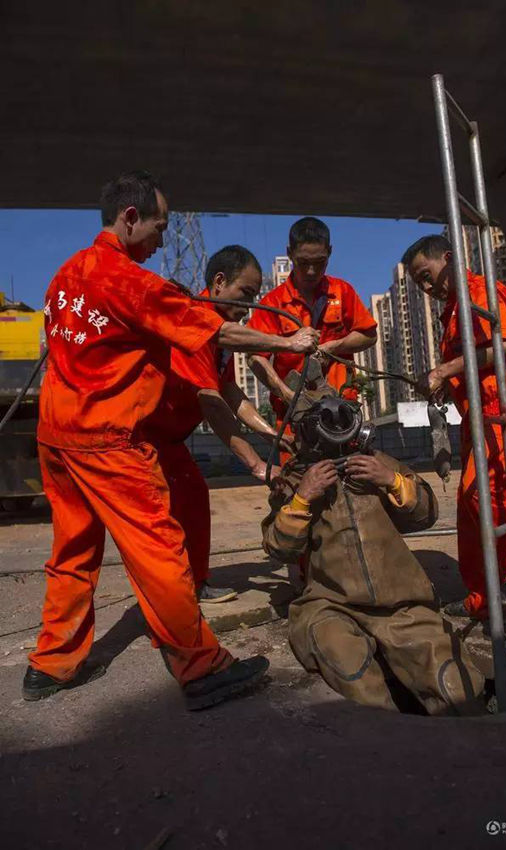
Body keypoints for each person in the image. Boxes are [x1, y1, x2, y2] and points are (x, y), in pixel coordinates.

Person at [23, 171, 318, 708]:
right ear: (130, 218)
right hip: (107, 436)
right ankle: (200, 666)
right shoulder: (129, 281)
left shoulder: (66, 274)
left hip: (56, 434)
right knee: (158, 548)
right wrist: (287, 338)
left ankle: (51, 664)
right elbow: (216, 330)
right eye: (158, 228)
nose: (162, 240)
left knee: (73, 550)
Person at [261, 387, 486, 716]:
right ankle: (391, 753)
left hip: (402, 604)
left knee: (453, 685)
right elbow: (278, 548)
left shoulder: (377, 463)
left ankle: (476, 750)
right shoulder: (296, 480)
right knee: (350, 670)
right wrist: (302, 498)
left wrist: (392, 480)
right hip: (332, 605)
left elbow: (426, 513)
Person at [402, 234, 506, 619]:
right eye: (418, 284)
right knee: (470, 503)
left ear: (448, 258)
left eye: (427, 276)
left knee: (489, 495)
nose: (426, 287)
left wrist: (443, 370)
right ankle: (482, 596)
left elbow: (505, 346)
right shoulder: (451, 312)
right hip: (480, 416)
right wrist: (447, 386)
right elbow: (470, 367)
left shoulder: (479, 292)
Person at [143, 244, 292, 604]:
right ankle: (166, 601)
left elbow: (229, 391)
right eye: (246, 294)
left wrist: (273, 437)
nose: (250, 305)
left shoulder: (220, 340)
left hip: (170, 441)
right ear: (220, 282)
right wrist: (258, 466)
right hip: (142, 439)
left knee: (193, 497)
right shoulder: (191, 321)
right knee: (152, 522)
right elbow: (212, 404)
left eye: (256, 296)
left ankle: (196, 582)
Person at [247, 216, 377, 464]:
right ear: (290, 254)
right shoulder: (273, 304)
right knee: (297, 489)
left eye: (319, 263)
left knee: (351, 481)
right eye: (303, 262)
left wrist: (332, 347)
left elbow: (369, 335)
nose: (311, 271)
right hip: (294, 419)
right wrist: (287, 396)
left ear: (329, 253)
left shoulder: (342, 292)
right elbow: (254, 357)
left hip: (342, 413)